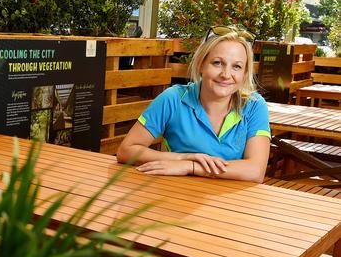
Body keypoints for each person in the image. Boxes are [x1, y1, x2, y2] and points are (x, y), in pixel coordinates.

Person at [116, 25, 270, 183]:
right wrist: (182, 157)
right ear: (201, 64)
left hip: (230, 201)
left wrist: (190, 167)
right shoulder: (173, 99)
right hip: (175, 195)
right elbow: (126, 151)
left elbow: (255, 171)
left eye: (236, 66)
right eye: (217, 63)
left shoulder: (254, 106)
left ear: (245, 74)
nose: (225, 74)